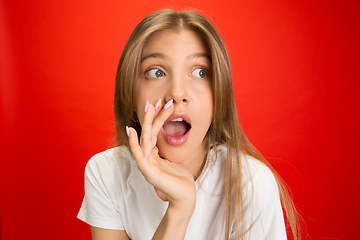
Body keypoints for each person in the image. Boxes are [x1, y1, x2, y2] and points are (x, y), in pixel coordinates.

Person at [77, 8, 300, 240]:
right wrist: (179, 209)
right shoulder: (106, 172)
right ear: (130, 95)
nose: (177, 92)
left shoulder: (252, 184)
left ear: (219, 96)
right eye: (156, 72)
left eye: (200, 72)